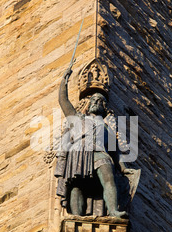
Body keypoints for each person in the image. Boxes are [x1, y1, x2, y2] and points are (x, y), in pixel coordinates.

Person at [55, 67, 130, 218]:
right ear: (88, 105)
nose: (96, 102)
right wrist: (64, 81)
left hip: (100, 153)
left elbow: (114, 152)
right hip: (80, 152)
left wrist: (123, 168)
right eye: (93, 100)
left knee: (109, 178)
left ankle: (113, 211)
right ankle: (76, 215)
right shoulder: (77, 118)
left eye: (99, 101)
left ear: (104, 107)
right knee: (77, 184)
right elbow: (63, 101)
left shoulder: (107, 128)